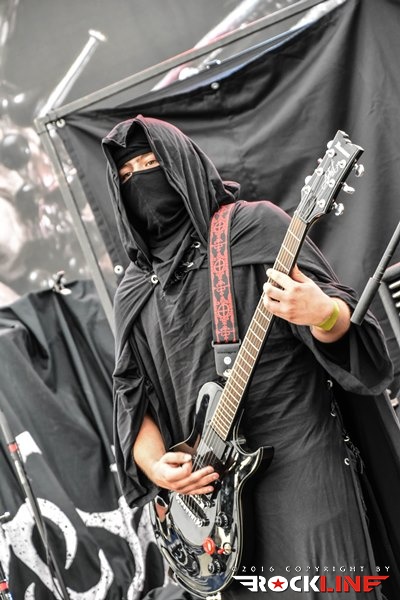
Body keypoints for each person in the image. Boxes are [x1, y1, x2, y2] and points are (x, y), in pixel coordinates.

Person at [102, 115, 394, 599]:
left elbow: (344, 327)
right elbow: (130, 397)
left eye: (151, 164)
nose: (141, 181)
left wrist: (321, 313)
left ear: (182, 165)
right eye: (127, 174)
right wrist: (156, 467)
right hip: (217, 499)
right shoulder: (135, 289)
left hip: (302, 462)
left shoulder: (253, 227)